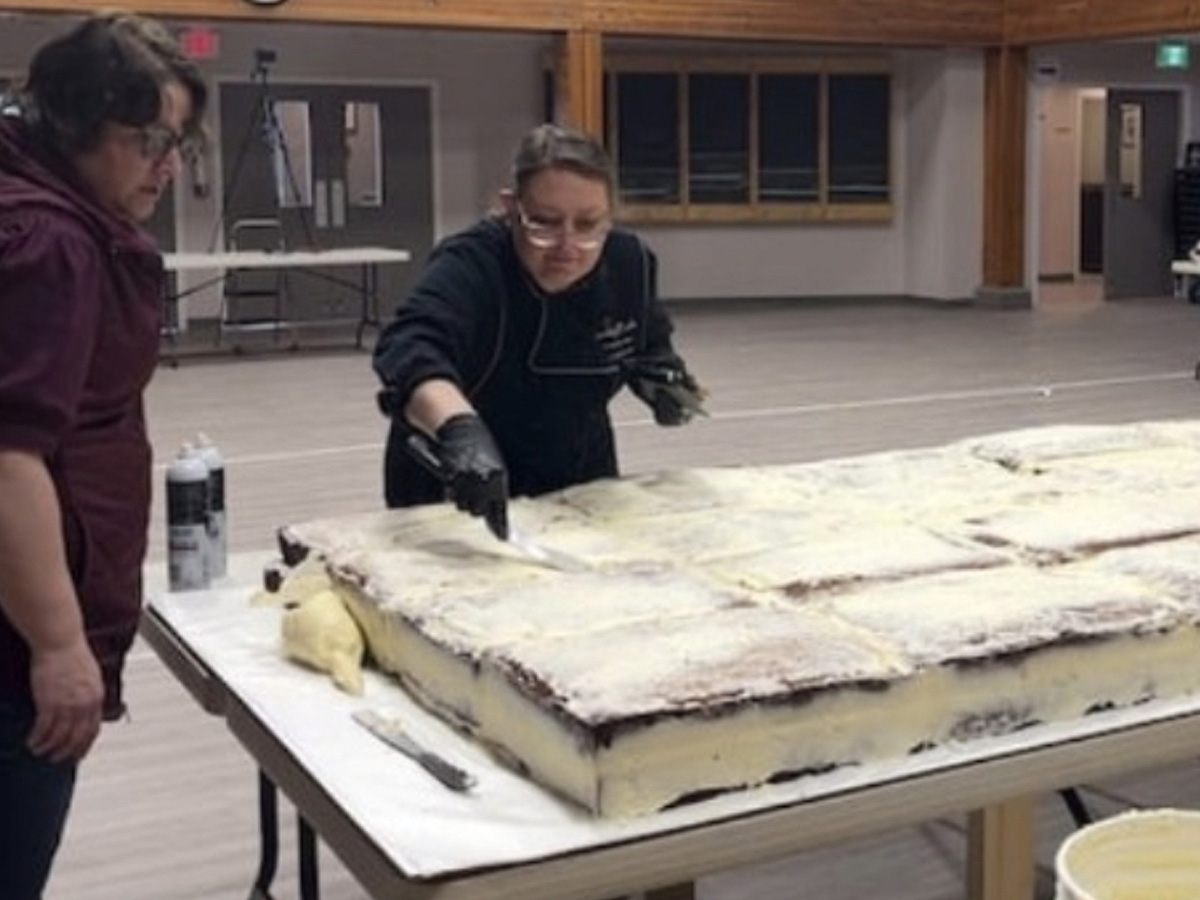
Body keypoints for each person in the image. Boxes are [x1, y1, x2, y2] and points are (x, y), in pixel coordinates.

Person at [0, 13, 207, 898]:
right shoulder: (49, 243)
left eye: (178, 142)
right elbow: (8, 456)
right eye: (148, 140)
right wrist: (57, 645)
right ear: (76, 126)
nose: (169, 166)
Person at [374, 123, 706, 535]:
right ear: (511, 207)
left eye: (588, 225)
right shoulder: (472, 264)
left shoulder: (628, 262)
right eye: (544, 223)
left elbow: (648, 340)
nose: (567, 247)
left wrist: (661, 380)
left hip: (578, 477)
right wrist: (458, 428)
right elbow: (410, 346)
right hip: (462, 484)